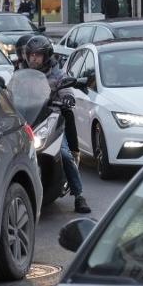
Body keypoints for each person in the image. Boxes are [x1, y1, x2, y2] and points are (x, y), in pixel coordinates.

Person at [23, 35, 90, 214]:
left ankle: (79, 195)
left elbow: (67, 89)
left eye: (37, 55)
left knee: (64, 155)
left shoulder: (57, 75)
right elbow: (11, 91)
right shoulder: (21, 74)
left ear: (46, 56)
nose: (33, 58)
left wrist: (68, 98)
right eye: (31, 55)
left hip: (52, 121)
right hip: (29, 121)